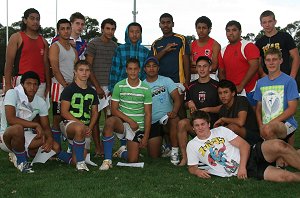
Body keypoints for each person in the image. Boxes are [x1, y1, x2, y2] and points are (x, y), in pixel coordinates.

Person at [187, 110, 300, 182]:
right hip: (250, 170)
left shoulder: (221, 130)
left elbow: (244, 145)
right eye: (196, 125)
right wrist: (197, 172)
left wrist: (241, 167)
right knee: (288, 177)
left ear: (208, 124)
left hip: (251, 153)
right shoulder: (192, 145)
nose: (200, 128)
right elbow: (192, 167)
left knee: (280, 145)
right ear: (193, 128)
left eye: (203, 124)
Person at [0, 71, 60, 173]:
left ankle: (22, 153)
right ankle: (22, 162)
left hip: (26, 134)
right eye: (28, 84)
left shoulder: (40, 101)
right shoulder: (12, 93)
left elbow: (46, 127)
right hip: (6, 135)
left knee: (55, 147)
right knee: (17, 128)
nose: (32, 87)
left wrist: (49, 139)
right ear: (22, 84)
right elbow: (11, 119)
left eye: (35, 84)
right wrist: (35, 124)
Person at [99, 58, 152, 170]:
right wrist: (129, 121)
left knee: (133, 160)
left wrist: (146, 136)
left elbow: (148, 114)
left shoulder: (145, 88)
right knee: (110, 121)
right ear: (126, 70)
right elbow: (114, 109)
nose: (133, 72)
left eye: (135, 69)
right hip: (123, 123)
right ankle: (107, 160)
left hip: (137, 127)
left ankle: (122, 151)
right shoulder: (119, 86)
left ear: (139, 70)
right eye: (130, 69)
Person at [177, 56, 220, 166]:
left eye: (205, 66)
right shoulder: (191, 85)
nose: (202, 69)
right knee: (182, 123)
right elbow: (185, 103)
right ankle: (185, 158)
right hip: (196, 126)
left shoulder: (217, 85)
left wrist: (208, 109)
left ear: (210, 68)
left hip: (213, 126)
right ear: (196, 68)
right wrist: (189, 103)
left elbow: (223, 107)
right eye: (199, 66)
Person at [85, 18, 118, 157]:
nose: (110, 31)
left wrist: (112, 88)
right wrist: (97, 87)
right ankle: (98, 149)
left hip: (109, 88)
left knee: (110, 118)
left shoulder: (115, 46)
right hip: (94, 87)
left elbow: (115, 68)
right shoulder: (93, 44)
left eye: (112, 29)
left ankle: (107, 148)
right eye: (107, 28)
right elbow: (88, 66)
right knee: (95, 118)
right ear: (102, 29)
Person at [253, 48, 299, 145]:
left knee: (269, 131)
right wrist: (261, 125)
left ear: (280, 61)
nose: (271, 63)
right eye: (268, 60)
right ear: (264, 62)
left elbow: (292, 109)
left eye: (274, 59)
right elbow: (258, 108)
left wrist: (269, 124)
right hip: (266, 125)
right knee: (284, 154)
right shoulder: (261, 83)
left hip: (286, 123)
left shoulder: (289, 81)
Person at [60, 60, 99, 171]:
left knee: (74, 160)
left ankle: (59, 152)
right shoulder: (69, 89)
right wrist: (82, 125)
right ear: (75, 72)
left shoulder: (92, 91)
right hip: (69, 124)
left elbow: (95, 112)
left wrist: (90, 127)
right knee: (79, 128)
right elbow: (64, 112)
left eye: (87, 70)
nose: (84, 73)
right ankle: (81, 164)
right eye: (81, 70)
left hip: (85, 127)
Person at [4, 8, 50, 100]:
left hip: (40, 83)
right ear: (25, 20)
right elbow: (9, 63)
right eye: (32, 18)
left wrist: (48, 86)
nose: (35, 21)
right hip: (21, 82)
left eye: (37, 19)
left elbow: (46, 65)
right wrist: (8, 85)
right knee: (21, 112)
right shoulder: (16, 37)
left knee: (38, 112)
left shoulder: (43, 41)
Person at [143, 57, 181, 164]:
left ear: (158, 68)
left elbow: (177, 99)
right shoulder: (142, 85)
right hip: (152, 122)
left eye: (154, 66)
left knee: (174, 119)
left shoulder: (166, 80)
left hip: (167, 118)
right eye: (148, 66)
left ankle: (174, 151)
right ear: (145, 69)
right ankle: (165, 146)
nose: (151, 68)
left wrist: (174, 111)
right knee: (154, 156)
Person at [49, 19, 78, 145]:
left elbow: (76, 69)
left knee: (71, 117)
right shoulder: (55, 47)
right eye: (62, 28)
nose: (66, 31)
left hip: (71, 86)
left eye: (68, 28)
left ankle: (70, 147)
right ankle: (56, 148)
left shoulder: (73, 49)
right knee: (57, 117)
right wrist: (65, 85)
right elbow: (55, 69)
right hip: (58, 86)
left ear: (71, 29)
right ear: (58, 31)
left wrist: (74, 85)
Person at [218, 20, 259, 107]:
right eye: (228, 30)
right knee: (235, 119)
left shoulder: (248, 46)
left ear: (240, 32)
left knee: (253, 118)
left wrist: (241, 85)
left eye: (234, 30)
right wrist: (225, 90)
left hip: (250, 90)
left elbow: (254, 66)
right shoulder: (223, 51)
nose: (231, 33)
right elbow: (221, 72)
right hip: (233, 94)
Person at [214, 79, 262, 145]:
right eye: (220, 93)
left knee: (232, 127)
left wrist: (223, 119)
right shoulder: (223, 109)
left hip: (253, 136)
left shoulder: (241, 100)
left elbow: (240, 122)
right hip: (236, 140)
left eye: (225, 92)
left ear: (233, 93)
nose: (223, 96)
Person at [255, 10, 299, 78]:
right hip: (268, 79)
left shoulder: (285, 37)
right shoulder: (259, 42)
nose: (267, 25)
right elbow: (258, 62)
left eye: (270, 21)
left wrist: (292, 76)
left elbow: (296, 56)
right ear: (261, 24)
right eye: (264, 22)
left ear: (275, 22)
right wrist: (263, 75)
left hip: (286, 77)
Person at [151, 13, 190, 87]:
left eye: (168, 22)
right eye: (163, 23)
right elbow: (152, 61)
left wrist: (187, 81)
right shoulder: (156, 43)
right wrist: (164, 50)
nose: (165, 25)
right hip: (161, 83)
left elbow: (186, 61)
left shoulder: (181, 39)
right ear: (159, 25)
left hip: (178, 82)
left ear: (173, 24)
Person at [109, 22, 149, 93]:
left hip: (140, 90)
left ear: (140, 34)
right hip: (122, 89)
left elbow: (145, 72)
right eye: (131, 32)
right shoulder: (120, 49)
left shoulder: (145, 51)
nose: (134, 34)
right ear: (127, 33)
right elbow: (115, 70)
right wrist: (113, 89)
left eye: (137, 32)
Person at [190, 16, 221, 81]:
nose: (201, 30)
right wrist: (207, 65)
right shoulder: (191, 45)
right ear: (196, 29)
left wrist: (195, 63)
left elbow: (214, 67)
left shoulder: (215, 45)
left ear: (209, 29)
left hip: (211, 78)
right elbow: (188, 68)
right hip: (194, 78)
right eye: (199, 28)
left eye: (204, 28)